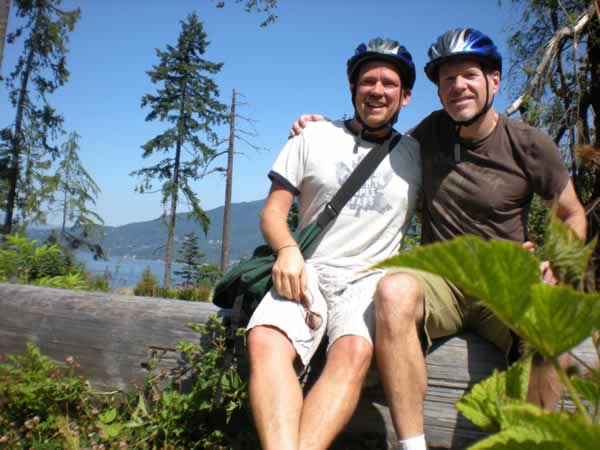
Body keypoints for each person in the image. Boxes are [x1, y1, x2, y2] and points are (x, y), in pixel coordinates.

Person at [290, 28, 587, 450]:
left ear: (494, 82)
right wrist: (321, 130)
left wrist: (558, 263)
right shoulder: (428, 135)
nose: (458, 86)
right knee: (393, 290)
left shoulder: (528, 144)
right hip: (443, 282)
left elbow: (572, 213)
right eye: (447, 79)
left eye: (469, 75)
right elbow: (372, 144)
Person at [246, 38, 422, 450]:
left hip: (370, 279)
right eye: (368, 81)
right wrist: (288, 250)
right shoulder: (312, 137)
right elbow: (273, 212)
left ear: (406, 95)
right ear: (352, 89)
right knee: (265, 340)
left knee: (355, 351)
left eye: (389, 83)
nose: (377, 90)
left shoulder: (417, 154)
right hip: (307, 267)